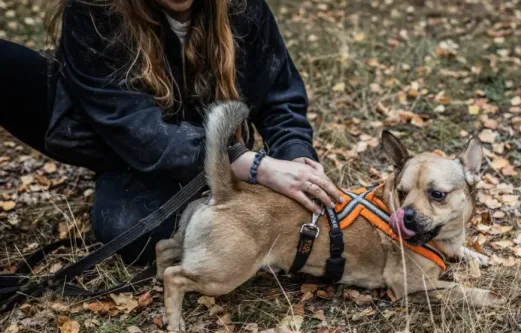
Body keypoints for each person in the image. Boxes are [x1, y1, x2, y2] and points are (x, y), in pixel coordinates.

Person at [0, 0, 342, 265]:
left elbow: (280, 97)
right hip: (121, 143)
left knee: (146, 228)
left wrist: (296, 155)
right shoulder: (94, 10)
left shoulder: (243, 6)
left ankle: (205, 192)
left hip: (210, 138)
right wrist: (253, 165)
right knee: (132, 231)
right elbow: (133, 127)